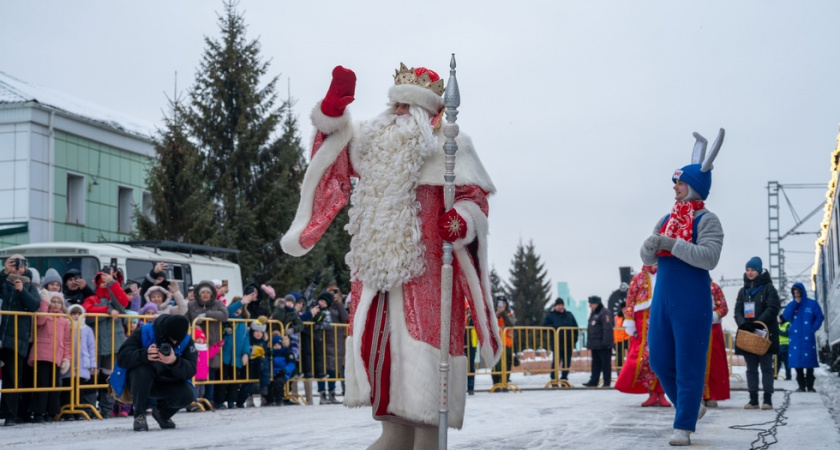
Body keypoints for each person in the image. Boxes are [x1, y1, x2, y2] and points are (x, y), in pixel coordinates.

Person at [280, 63, 502, 448]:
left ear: (428, 112)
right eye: (395, 104)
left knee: (427, 420)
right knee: (393, 426)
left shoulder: (452, 147)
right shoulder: (372, 142)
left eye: (407, 106)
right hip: (377, 287)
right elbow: (331, 156)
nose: (398, 112)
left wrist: (461, 222)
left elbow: (475, 202)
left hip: (428, 283)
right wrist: (332, 112)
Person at [639, 129, 725, 446]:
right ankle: (691, 407)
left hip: (692, 299)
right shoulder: (666, 218)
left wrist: (669, 244)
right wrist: (649, 247)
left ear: (695, 186)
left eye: (680, 182)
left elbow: (709, 258)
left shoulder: (708, 221)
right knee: (660, 360)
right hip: (663, 297)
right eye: (675, 182)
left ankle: (684, 426)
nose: (675, 187)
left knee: (689, 362)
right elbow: (650, 258)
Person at [113, 314, 196, 431]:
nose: (174, 342)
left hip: (166, 380)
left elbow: (191, 370)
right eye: (172, 338)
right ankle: (140, 415)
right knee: (142, 370)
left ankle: (162, 414)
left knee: (188, 395)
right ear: (164, 332)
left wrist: (174, 361)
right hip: (138, 381)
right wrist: (144, 354)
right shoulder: (144, 332)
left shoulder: (186, 340)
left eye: (178, 340)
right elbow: (122, 358)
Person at [615, 264, 670, 407]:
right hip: (642, 321)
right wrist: (630, 322)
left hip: (663, 317)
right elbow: (630, 300)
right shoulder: (638, 278)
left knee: (663, 355)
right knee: (644, 357)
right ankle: (651, 392)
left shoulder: (666, 274)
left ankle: (661, 392)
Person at [82, 268, 130, 418]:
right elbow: (87, 310)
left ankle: (107, 409)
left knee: (110, 377)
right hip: (94, 345)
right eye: (101, 281)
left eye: (106, 281)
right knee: (91, 378)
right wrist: (108, 311)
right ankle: (89, 408)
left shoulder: (115, 299)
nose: (104, 283)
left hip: (114, 345)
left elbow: (123, 304)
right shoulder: (91, 299)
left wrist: (112, 284)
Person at [0, 255, 42, 426]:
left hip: (16, 338)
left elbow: (34, 306)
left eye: (20, 265)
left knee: (12, 376)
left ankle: (10, 414)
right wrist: (5, 272)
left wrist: (21, 290)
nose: (17, 268)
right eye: (13, 263)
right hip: (1, 334)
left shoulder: (30, 286)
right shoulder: (3, 283)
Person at [734, 256, 780, 410]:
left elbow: (773, 308)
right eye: (747, 270)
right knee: (751, 368)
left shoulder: (768, 288)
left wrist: (758, 323)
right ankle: (753, 399)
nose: (750, 273)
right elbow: (737, 311)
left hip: (764, 334)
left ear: (759, 271)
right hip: (748, 335)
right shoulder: (743, 291)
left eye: (753, 270)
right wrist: (743, 324)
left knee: (766, 367)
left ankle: (767, 399)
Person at [28, 291, 72, 423]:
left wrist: (66, 358)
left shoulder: (64, 320)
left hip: (57, 355)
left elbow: (67, 341)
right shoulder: (44, 314)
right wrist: (44, 303)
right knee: (42, 384)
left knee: (54, 384)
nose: (56, 305)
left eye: (59, 302)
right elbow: (39, 321)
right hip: (42, 354)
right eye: (53, 301)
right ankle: (38, 412)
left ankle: (51, 412)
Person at [782, 282, 824, 393]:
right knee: (797, 363)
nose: (796, 294)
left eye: (798, 292)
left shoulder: (812, 304)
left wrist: (812, 328)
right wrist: (794, 304)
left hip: (807, 337)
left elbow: (819, 317)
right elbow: (786, 316)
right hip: (795, 338)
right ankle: (801, 386)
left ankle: (810, 386)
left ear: (802, 291)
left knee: (809, 362)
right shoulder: (792, 304)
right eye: (794, 292)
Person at [61, 304, 97, 419]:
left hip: (82, 362)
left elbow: (92, 347)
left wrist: (92, 363)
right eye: (73, 314)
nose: (76, 316)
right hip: (69, 361)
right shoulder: (66, 327)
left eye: (78, 314)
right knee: (67, 386)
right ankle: (67, 410)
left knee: (79, 387)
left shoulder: (87, 329)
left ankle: (78, 410)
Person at [703, 280, 730, 407]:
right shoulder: (688, 286)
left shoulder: (714, 287)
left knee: (714, 362)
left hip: (712, 329)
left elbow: (723, 307)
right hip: (692, 329)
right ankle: (697, 396)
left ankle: (711, 395)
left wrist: (713, 316)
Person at [542, 298, 579, 384]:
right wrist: (554, 327)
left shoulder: (569, 315)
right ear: (555, 306)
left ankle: (564, 379)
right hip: (557, 343)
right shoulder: (550, 316)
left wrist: (574, 338)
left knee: (567, 361)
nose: (560, 307)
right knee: (556, 361)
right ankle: (554, 379)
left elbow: (575, 327)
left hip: (568, 343)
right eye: (558, 305)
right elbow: (544, 327)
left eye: (562, 305)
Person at [583, 296, 613, 388]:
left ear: (596, 304)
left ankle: (606, 382)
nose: (590, 306)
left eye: (591, 304)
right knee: (596, 364)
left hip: (603, 344)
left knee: (605, 364)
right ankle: (594, 380)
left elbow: (607, 329)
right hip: (595, 344)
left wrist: (606, 342)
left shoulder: (604, 313)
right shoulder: (594, 313)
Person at [491, 296, 515, 390]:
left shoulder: (509, 313)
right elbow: (490, 323)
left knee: (507, 364)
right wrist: (496, 314)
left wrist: (503, 313)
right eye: (500, 303)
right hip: (496, 343)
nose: (501, 305)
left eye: (503, 303)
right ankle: (496, 384)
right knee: (496, 364)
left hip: (507, 343)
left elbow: (511, 324)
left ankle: (505, 382)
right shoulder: (493, 313)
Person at [777, 314, 791, 381]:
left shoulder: (788, 324)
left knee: (786, 362)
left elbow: (787, 334)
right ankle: (775, 375)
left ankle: (788, 376)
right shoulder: (780, 325)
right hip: (779, 346)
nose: (779, 320)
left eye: (779, 319)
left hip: (785, 346)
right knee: (777, 362)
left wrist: (779, 331)